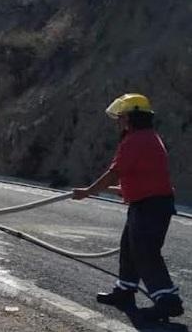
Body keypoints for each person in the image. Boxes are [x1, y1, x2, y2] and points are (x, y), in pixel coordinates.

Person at [72, 93, 183, 321]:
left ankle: (168, 300)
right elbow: (133, 181)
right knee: (129, 249)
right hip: (148, 204)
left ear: (133, 117)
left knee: (145, 252)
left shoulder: (136, 140)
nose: (118, 121)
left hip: (151, 206)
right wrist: (93, 190)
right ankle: (125, 290)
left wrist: (88, 192)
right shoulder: (145, 138)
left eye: (121, 117)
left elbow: (114, 174)